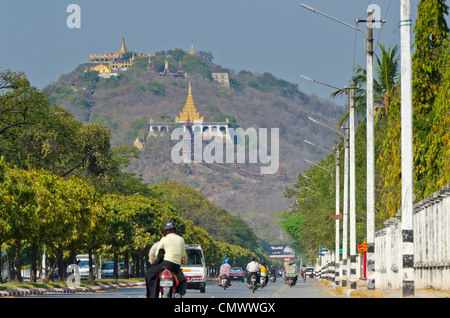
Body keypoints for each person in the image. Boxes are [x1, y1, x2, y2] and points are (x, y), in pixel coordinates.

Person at [145, 220, 188, 298]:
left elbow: (156, 253)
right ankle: (179, 294)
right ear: (174, 229)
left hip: (166, 264)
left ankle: (151, 296)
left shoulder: (164, 239)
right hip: (176, 266)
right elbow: (182, 254)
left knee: (149, 274)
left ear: (165, 231)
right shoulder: (181, 239)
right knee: (183, 280)